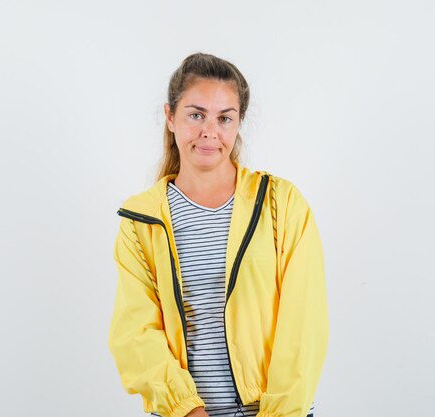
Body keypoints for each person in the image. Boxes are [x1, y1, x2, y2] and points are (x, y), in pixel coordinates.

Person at [108, 52, 329, 417]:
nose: (210, 131)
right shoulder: (141, 219)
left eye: (224, 118)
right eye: (196, 115)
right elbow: (135, 332)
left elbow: (305, 324)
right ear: (170, 117)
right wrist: (187, 410)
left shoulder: (282, 203)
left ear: (238, 123)